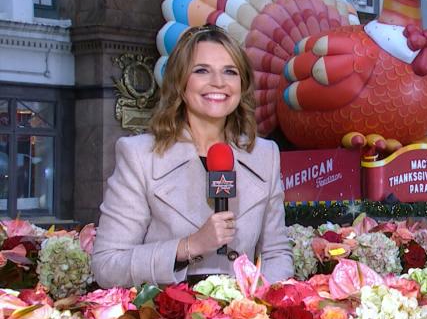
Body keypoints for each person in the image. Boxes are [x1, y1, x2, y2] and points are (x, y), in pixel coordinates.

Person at [92, 25, 294, 286]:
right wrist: (189, 246)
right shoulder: (140, 155)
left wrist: (255, 303)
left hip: (243, 318)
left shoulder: (265, 155)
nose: (219, 82)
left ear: (241, 85)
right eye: (202, 71)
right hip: (168, 318)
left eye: (229, 72)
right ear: (180, 83)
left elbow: (276, 253)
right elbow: (107, 266)